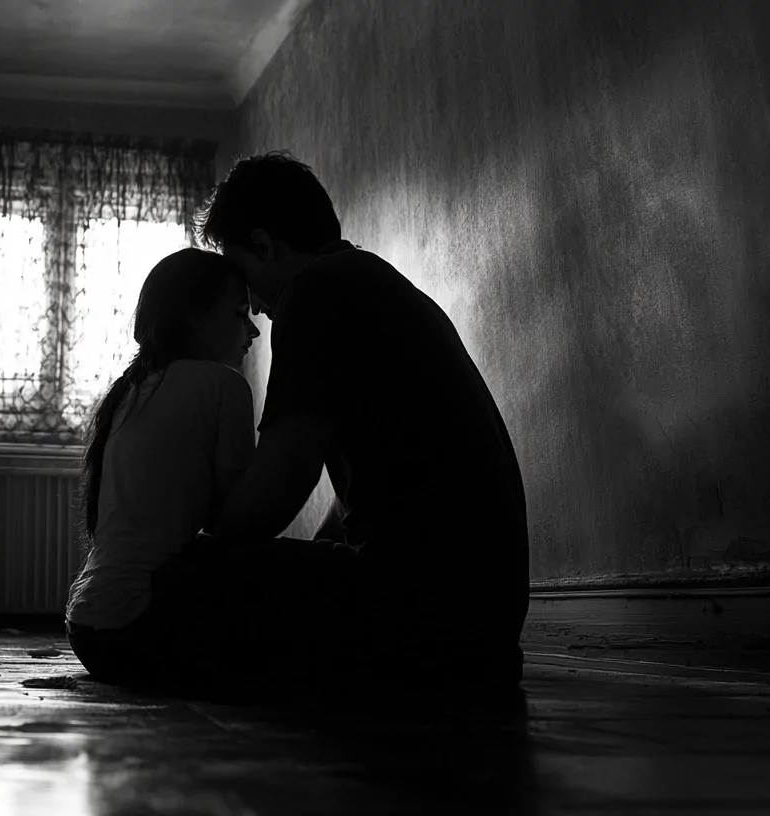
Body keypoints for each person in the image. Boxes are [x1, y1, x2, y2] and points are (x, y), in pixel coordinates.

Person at [197, 150, 530, 688]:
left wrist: (205, 540)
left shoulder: (314, 293)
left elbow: (283, 481)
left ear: (264, 245)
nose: (254, 308)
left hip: (428, 614)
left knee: (192, 577)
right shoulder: (369, 278)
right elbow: (354, 492)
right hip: (484, 620)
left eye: (246, 280)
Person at [64, 247, 264, 691]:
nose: (252, 331)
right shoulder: (223, 386)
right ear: (195, 316)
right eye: (238, 313)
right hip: (141, 628)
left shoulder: (131, 388)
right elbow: (236, 521)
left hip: (87, 628)